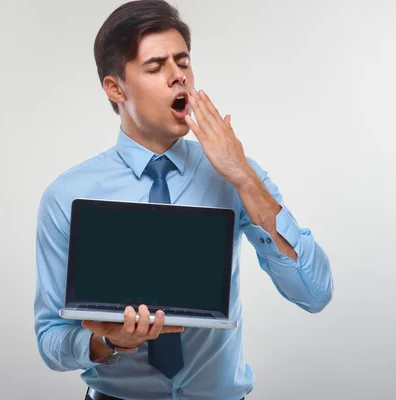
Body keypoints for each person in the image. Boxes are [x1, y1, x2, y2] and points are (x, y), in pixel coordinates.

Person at [33, 1, 334, 399]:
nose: (179, 78)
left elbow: (314, 293)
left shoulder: (236, 174)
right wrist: (112, 343)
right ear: (115, 87)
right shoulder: (67, 196)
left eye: (184, 62)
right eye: (156, 68)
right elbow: (51, 339)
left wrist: (242, 176)